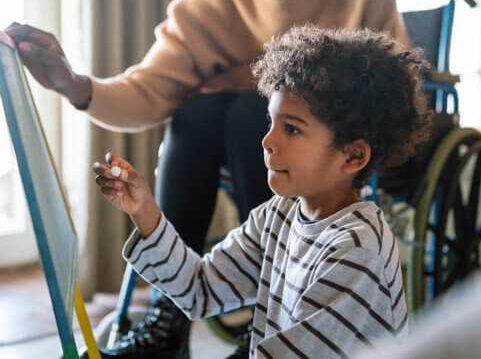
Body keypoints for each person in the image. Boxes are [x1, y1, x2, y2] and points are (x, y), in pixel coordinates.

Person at [6, 0, 407, 357]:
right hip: (261, 191)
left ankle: (248, 318)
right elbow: (147, 91)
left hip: (345, 161)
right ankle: (166, 319)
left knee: (244, 113)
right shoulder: (210, 3)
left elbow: (394, 93)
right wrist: (71, 84)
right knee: (197, 113)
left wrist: (252, 79)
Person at [93, 26, 431, 359]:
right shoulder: (279, 213)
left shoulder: (356, 251)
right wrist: (145, 210)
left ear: (354, 156)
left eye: (292, 129)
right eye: (271, 122)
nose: (267, 141)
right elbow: (201, 289)